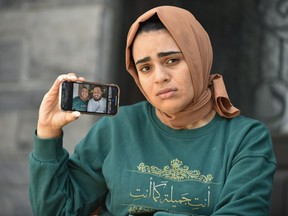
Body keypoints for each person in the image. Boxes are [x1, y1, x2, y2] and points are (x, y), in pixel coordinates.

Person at [29, 5, 276, 216]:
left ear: (198, 58)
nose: (160, 77)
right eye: (145, 68)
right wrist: (48, 134)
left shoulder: (246, 139)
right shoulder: (116, 129)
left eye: (172, 60)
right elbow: (58, 210)